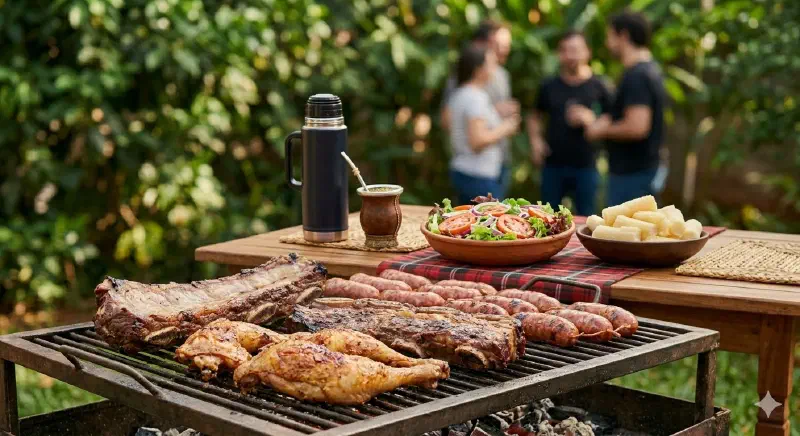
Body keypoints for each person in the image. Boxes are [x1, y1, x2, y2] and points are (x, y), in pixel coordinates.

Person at [573, 10, 666, 206]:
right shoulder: (646, 70)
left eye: (609, 36)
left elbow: (637, 126)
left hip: (633, 174)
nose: (607, 43)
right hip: (637, 171)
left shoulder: (638, 75)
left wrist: (601, 130)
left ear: (623, 36)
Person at [527, 30, 612, 216]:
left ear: (587, 52)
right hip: (553, 165)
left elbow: (611, 120)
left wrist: (590, 120)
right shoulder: (548, 86)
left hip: (586, 165)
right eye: (565, 50)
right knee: (546, 217)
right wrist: (536, 142)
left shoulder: (601, 86)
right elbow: (535, 116)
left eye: (575, 50)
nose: (570, 56)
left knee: (587, 218)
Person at [447, 45, 521, 205]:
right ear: (478, 70)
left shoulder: (461, 93)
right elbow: (477, 141)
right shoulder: (476, 98)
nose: (495, 68)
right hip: (478, 177)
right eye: (491, 64)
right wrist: (506, 127)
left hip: (466, 172)